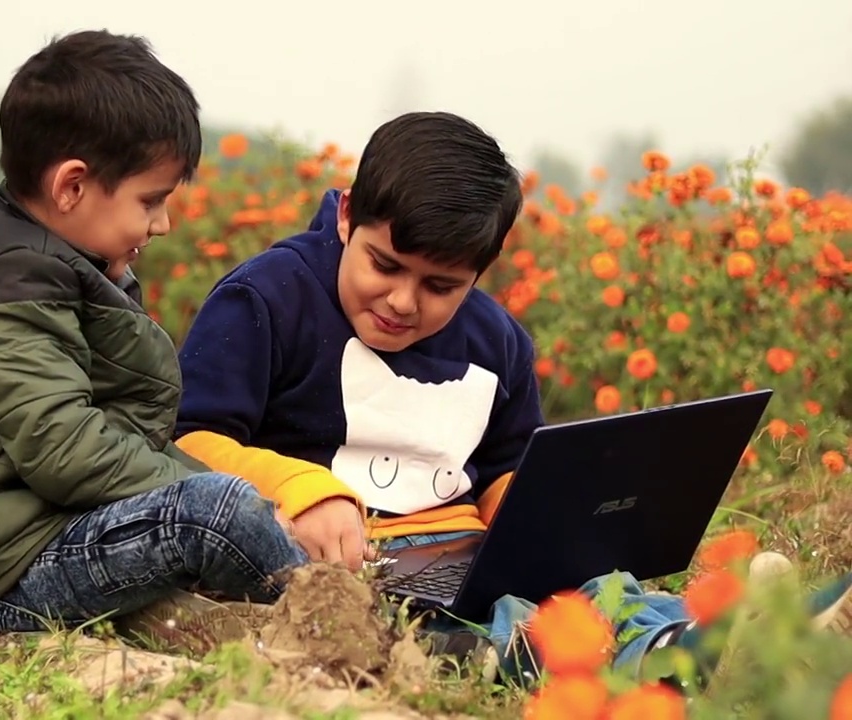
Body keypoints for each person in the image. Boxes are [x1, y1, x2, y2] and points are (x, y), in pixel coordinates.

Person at [171, 111, 852, 685]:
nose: (403, 301)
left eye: (442, 285)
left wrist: (543, 525)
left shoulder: (496, 341)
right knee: (500, 621)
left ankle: (719, 642)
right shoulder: (265, 301)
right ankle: (644, 660)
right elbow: (187, 440)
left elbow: (503, 469)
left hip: (464, 553)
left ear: (481, 270)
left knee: (601, 588)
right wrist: (299, 488)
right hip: (337, 563)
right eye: (385, 266)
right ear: (348, 216)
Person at [0, 29, 307, 635]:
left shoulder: (54, 264)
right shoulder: (10, 284)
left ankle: (300, 599)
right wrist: (212, 495)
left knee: (231, 506)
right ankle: (342, 619)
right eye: (150, 200)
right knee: (218, 511)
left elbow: (114, 435)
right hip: (12, 565)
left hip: (50, 527)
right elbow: (66, 450)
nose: (162, 223)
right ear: (72, 186)